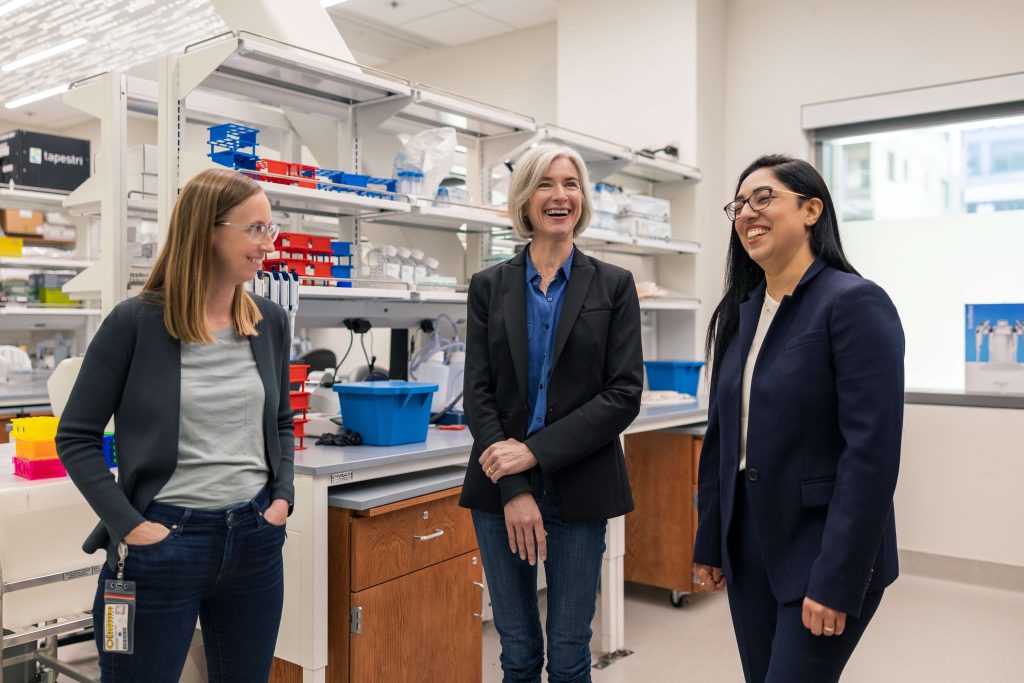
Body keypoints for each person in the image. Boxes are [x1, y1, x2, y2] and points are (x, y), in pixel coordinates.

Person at [56, 167, 294, 682]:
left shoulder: (269, 321)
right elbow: (75, 437)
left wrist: (282, 499)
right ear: (208, 229)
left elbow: (280, 422)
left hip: (254, 537)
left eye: (270, 230)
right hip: (164, 542)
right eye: (256, 229)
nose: (267, 245)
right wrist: (132, 527)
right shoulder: (134, 323)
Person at [693, 154, 905, 682]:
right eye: (738, 205)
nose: (746, 213)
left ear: (812, 210)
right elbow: (723, 437)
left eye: (763, 198)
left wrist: (837, 579)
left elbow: (871, 455)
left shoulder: (854, 303)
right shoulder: (739, 314)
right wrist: (710, 539)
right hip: (750, 542)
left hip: (822, 547)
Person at [460, 144, 643, 682]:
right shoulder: (489, 286)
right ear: (525, 198)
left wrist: (534, 452)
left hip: (581, 483)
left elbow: (623, 393)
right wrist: (514, 486)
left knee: (568, 651)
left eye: (571, 184)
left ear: (582, 199)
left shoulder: (613, 285)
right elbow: (478, 393)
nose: (560, 195)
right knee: (516, 649)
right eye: (545, 183)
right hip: (499, 490)